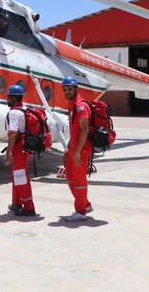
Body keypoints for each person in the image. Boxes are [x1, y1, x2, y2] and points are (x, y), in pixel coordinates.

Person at [61, 76, 93, 222]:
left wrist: (78, 152)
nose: (67, 92)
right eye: (65, 89)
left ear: (76, 89)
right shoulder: (72, 105)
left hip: (81, 150)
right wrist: (68, 148)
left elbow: (84, 130)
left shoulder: (81, 106)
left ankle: (80, 211)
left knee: (79, 181)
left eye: (69, 89)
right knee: (69, 177)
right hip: (74, 148)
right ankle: (85, 204)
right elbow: (74, 132)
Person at [2, 85, 37, 216]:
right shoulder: (24, 109)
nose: (7, 99)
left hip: (19, 149)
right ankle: (16, 202)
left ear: (14, 98)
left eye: (8, 97)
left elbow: (12, 134)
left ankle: (28, 207)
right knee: (17, 174)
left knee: (20, 176)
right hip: (25, 148)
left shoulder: (13, 113)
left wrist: (8, 153)